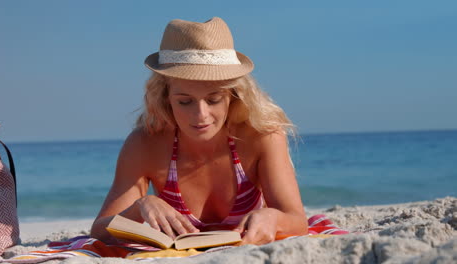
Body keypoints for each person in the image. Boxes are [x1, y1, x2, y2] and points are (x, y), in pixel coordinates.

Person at [91, 17, 308, 246]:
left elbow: (297, 220)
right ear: (165, 97)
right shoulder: (145, 144)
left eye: (213, 100)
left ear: (233, 95)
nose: (201, 115)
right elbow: (99, 231)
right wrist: (141, 206)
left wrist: (272, 217)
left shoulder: (261, 137)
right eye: (185, 102)